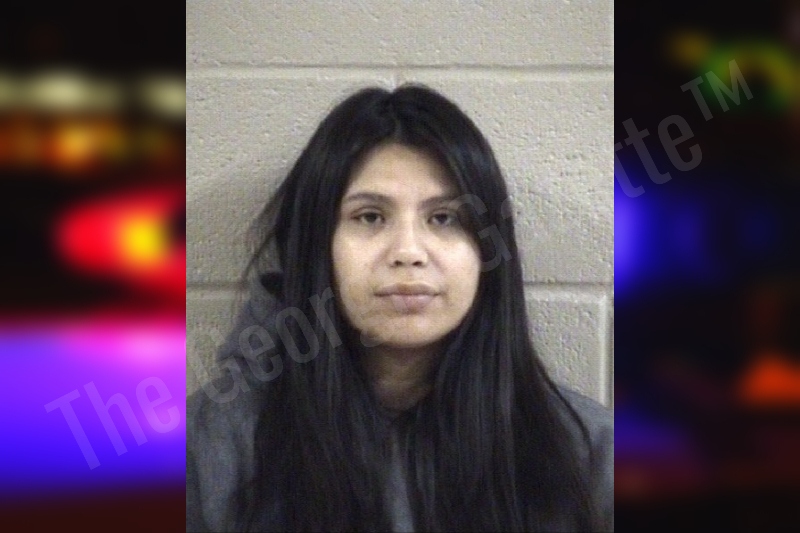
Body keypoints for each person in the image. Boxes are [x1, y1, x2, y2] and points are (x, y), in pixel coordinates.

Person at [186, 84, 614, 532]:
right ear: (316, 245)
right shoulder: (205, 453)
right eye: (370, 216)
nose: (408, 252)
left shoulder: (591, 455)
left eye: (444, 218)